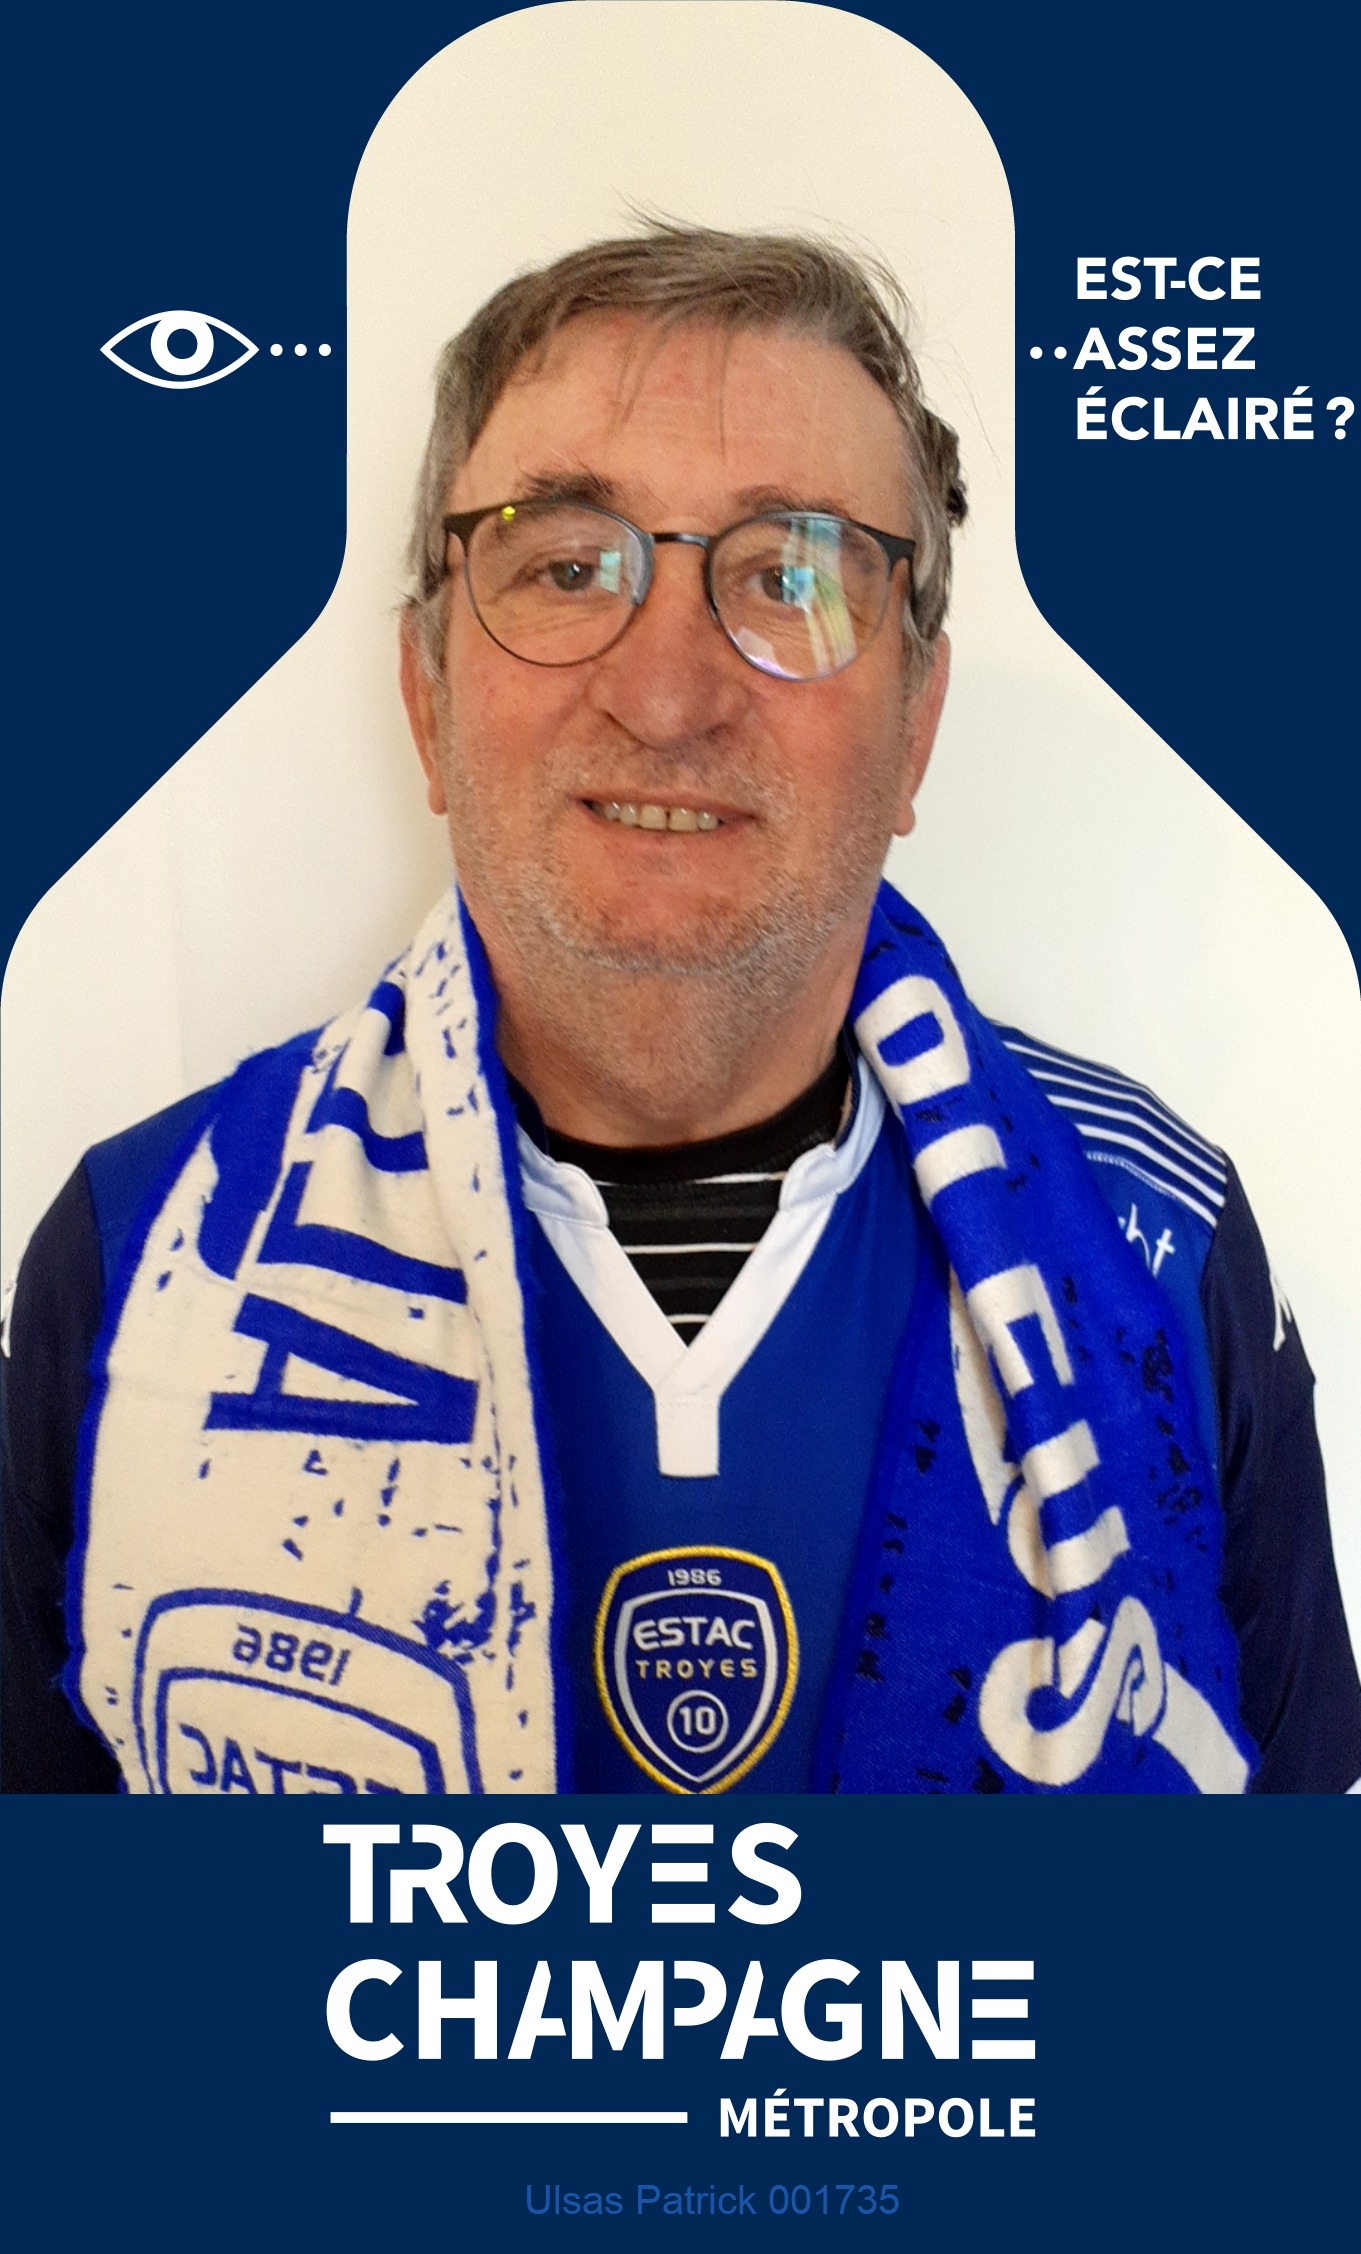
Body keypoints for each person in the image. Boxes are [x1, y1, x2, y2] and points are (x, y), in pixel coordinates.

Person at [4, 225, 1358, 1798]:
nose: (664, 694)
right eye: (565, 564)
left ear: (914, 727)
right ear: (427, 699)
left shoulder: (1160, 1247)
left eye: (788, 575)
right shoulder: (138, 1255)